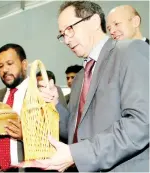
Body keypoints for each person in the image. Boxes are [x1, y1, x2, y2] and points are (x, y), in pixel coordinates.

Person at [33, 1, 149, 172]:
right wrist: (55, 104)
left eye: (70, 29)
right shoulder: (80, 77)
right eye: (62, 35)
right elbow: (76, 133)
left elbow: (141, 123)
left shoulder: (130, 51)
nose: (66, 39)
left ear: (94, 21)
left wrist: (77, 154)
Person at [0, 44, 67, 172]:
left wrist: (26, 136)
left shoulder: (45, 92)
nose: (5, 69)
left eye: (10, 63)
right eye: (0, 66)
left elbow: (62, 135)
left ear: (24, 64)